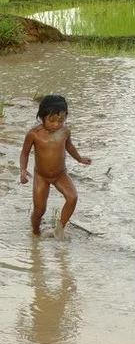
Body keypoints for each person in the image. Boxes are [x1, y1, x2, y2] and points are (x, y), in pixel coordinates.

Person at [19, 94, 92, 239]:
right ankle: (35, 232)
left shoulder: (65, 131)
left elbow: (69, 147)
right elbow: (24, 153)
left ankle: (60, 228)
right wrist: (23, 170)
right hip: (41, 176)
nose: (56, 124)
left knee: (72, 197)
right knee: (40, 209)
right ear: (42, 116)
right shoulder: (34, 134)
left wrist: (80, 159)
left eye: (61, 120)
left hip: (60, 174)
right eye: (52, 120)